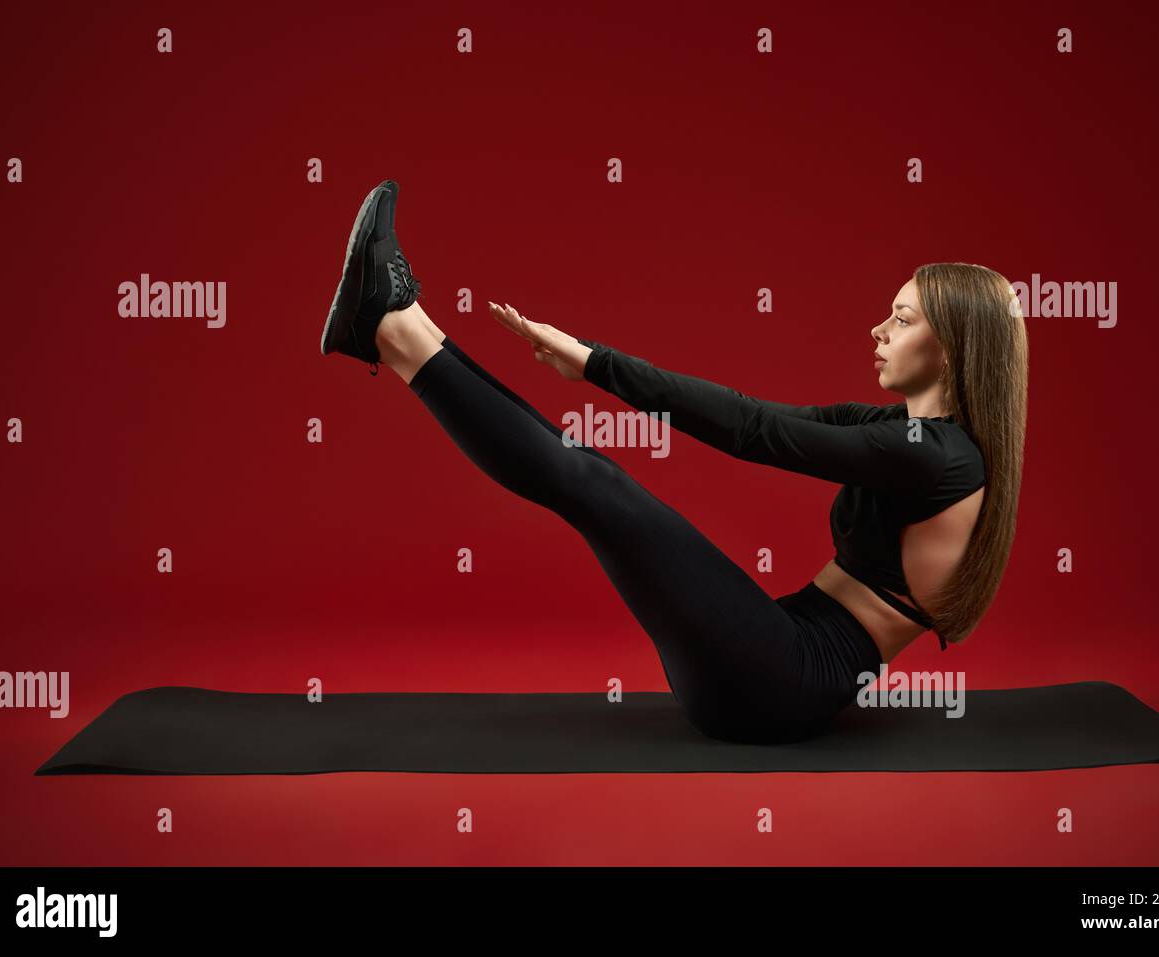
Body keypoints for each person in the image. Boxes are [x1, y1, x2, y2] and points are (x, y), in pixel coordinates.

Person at [320, 179, 1029, 744]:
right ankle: (398, 328)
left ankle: (392, 328)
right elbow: (762, 414)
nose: (879, 328)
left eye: (903, 319)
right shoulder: (904, 434)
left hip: (781, 681)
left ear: (953, 348)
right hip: (775, 664)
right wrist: (593, 365)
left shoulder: (939, 458)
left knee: (594, 485)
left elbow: (754, 433)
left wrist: (597, 364)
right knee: (591, 483)